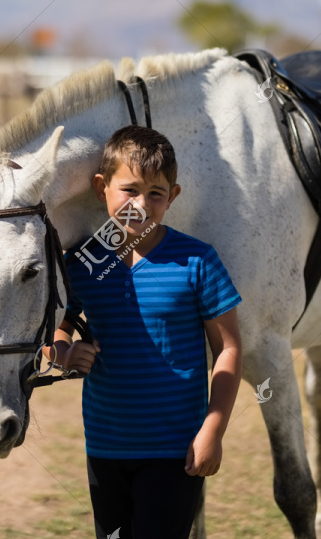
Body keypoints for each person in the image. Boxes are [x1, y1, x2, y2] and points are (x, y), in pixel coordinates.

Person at [49, 126, 244, 539]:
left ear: (172, 196)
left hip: (177, 449)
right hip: (104, 446)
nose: (141, 204)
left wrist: (213, 429)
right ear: (102, 188)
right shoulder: (81, 264)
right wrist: (65, 355)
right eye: (129, 189)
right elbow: (56, 332)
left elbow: (228, 349)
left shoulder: (197, 260)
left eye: (156, 193)